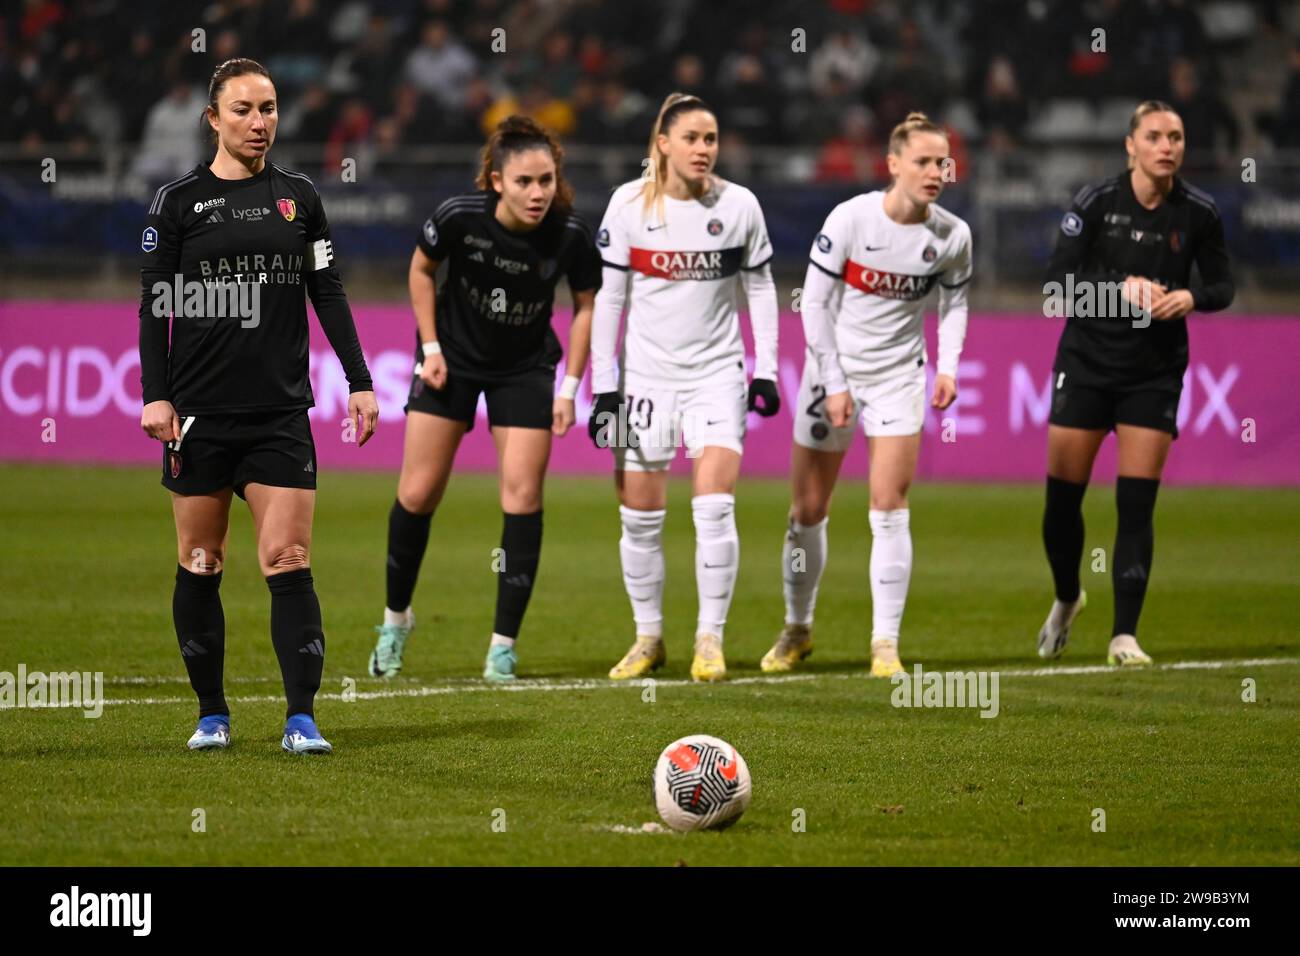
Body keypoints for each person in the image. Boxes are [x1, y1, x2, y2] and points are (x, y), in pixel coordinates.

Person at [138, 58, 377, 754]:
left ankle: (301, 717)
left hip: (278, 413)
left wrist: (359, 380)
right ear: (213, 118)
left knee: (289, 556)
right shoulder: (176, 203)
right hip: (199, 413)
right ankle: (212, 713)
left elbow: (327, 292)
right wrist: (157, 394)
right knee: (201, 562)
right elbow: (157, 308)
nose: (259, 122)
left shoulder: (300, 197)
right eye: (243, 109)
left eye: (268, 108)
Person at [368, 116, 601, 682]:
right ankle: (396, 622)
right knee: (418, 493)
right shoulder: (458, 217)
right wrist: (429, 346)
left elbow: (587, 304)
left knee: (522, 497)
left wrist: (570, 386)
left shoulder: (569, 233)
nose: (538, 192)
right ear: (497, 180)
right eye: (525, 181)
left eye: (547, 179)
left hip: (524, 370)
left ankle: (502, 645)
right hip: (452, 359)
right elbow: (422, 270)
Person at [767, 112, 972, 679]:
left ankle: (885, 644)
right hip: (832, 371)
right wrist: (833, 382)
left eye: (943, 162)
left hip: (899, 377)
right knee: (808, 510)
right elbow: (813, 303)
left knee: (889, 505)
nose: (936, 172)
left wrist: (948, 368)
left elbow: (954, 304)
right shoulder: (851, 219)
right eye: (925, 161)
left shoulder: (953, 235)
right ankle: (797, 628)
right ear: (894, 165)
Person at [590, 93, 780, 683]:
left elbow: (763, 291)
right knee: (639, 518)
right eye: (692, 138)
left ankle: (709, 640)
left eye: (712, 138)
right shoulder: (627, 206)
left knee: (714, 508)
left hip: (716, 377)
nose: (704, 149)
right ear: (663, 143)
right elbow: (610, 298)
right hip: (646, 380)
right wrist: (604, 387)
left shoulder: (740, 206)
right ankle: (648, 638)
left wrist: (766, 369)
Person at [1037, 100, 1233, 666]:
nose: (1167, 146)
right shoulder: (1096, 202)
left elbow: (1223, 285)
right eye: (1155, 136)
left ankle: (1124, 635)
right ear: (1131, 146)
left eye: (1175, 136)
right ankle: (1069, 595)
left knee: (1136, 504)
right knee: (1060, 506)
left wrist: (1193, 296)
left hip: (1153, 372)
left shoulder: (1199, 211)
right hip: (1088, 363)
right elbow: (1056, 287)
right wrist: (1117, 288)